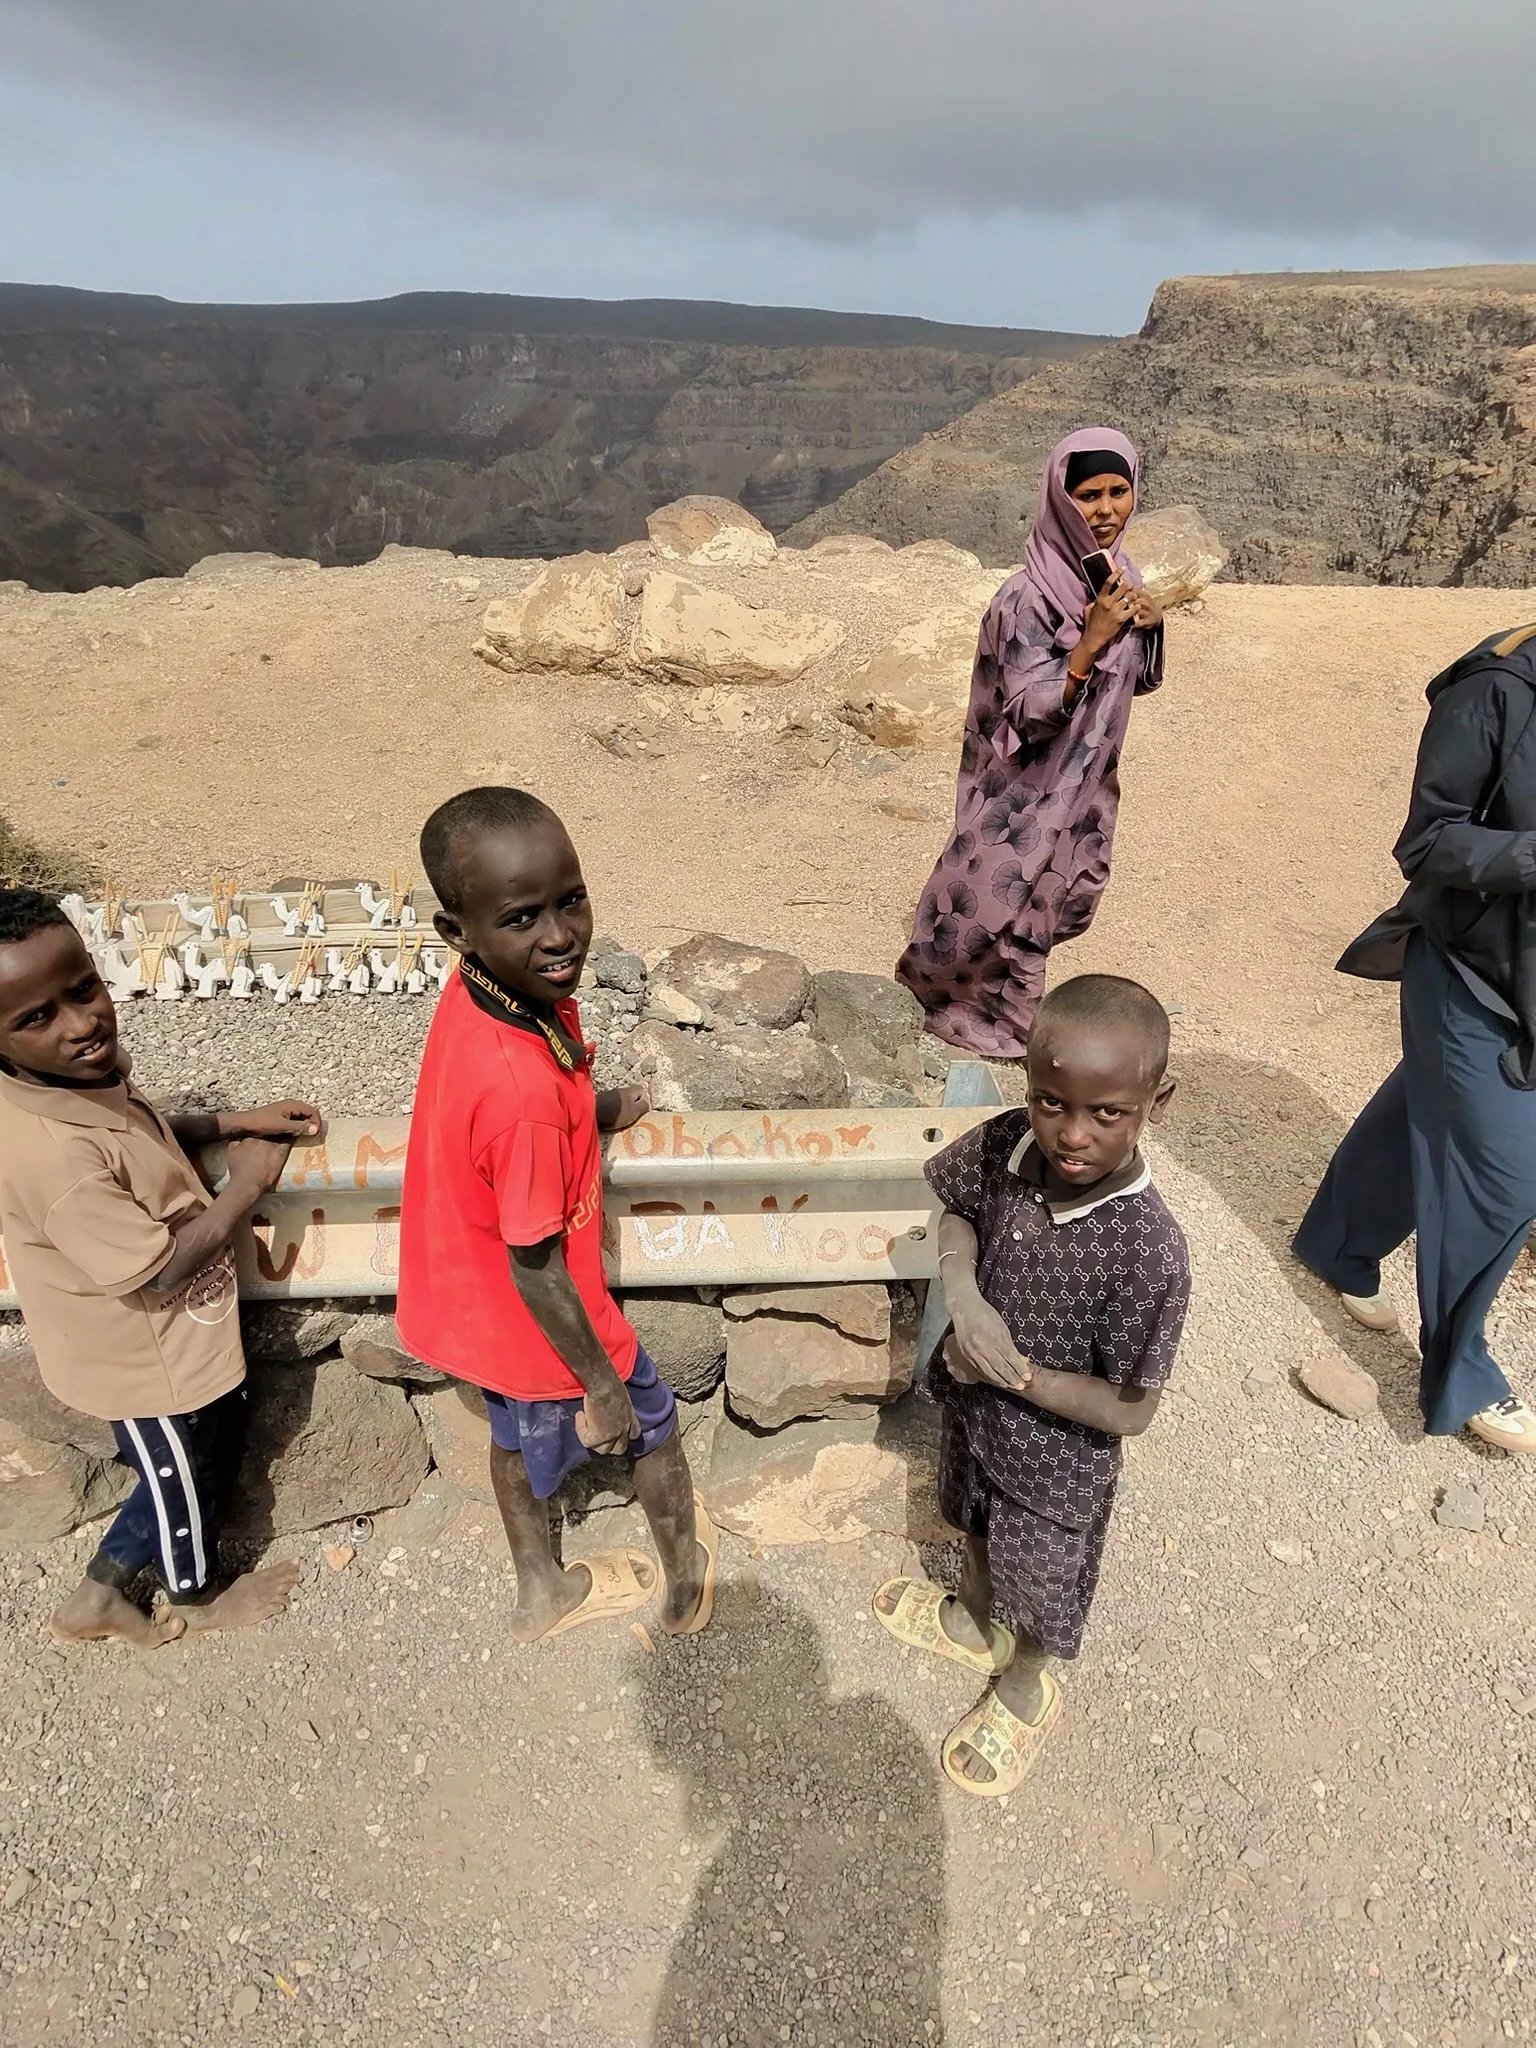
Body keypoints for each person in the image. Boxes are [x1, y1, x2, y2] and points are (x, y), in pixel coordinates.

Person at [397, 786, 716, 1640]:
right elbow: (535, 1263)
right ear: (456, 931)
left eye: (570, 900)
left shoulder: (483, 992)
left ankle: (542, 1585)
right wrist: (601, 1385)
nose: (559, 935)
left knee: (512, 1441)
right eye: (524, 917)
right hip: (540, 1321)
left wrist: (589, 1107)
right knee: (651, 1430)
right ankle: (684, 1578)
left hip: (473, 1313)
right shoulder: (521, 1097)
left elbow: (506, 1126)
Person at [874, 974, 1189, 1797]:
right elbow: (957, 1213)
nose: (1071, 1134)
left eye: (1106, 1113)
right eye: (1051, 1101)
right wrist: (966, 1295)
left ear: (1157, 1100)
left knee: (1043, 1587)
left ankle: (1024, 1687)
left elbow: (1133, 1407)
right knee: (971, 1522)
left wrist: (1014, 1371)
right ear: (1028, 1084)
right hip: (973, 1414)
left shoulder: (1148, 1251)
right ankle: (977, 1622)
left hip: (1057, 1467)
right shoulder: (1011, 1143)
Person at [0, 887, 318, 1645]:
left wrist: (230, 1122)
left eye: (82, 989)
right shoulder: (49, 1156)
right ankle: (194, 1596)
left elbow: (134, 1133)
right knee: (177, 1477)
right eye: (36, 1017)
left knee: (192, 1458)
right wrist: (245, 1183)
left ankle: (97, 1598)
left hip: (169, 1344)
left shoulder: (63, 1078)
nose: (82, 1024)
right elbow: (161, 1273)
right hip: (140, 1353)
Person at [1294, 622, 1536, 1453]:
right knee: (1507, 1177)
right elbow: (1428, 841)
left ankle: (1338, 1246)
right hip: (1471, 974)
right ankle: (1460, 1370)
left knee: (1424, 1110)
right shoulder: (1496, 692)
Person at [896, 427, 1166, 1058]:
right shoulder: (1024, 598)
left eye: (1118, 492)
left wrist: (1151, 628)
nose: (1104, 511)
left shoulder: (1120, 579)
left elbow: (1138, 682)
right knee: (995, 892)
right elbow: (1024, 712)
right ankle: (964, 1005)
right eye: (1087, 496)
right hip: (1020, 786)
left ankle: (1007, 1013)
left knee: (1056, 892)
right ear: (1059, 500)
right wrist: (1090, 643)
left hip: (1088, 778)